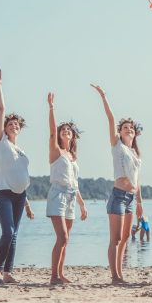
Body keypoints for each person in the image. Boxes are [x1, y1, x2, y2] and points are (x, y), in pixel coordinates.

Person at [91, 84, 144, 284]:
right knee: (116, 238)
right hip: (118, 196)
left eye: (131, 128)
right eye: (125, 128)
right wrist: (104, 96)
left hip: (131, 198)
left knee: (125, 238)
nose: (128, 129)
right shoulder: (117, 146)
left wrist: (140, 203)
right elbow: (111, 119)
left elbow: (138, 181)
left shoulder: (136, 154)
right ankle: (114, 276)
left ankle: (120, 273)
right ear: (120, 132)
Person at [0, 67, 34, 285]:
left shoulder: (22, 151)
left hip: (20, 195)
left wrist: (27, 203)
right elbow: (1, 110)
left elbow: (23, 176)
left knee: (15, 234)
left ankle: (8, 273)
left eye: (16, 125)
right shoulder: (1, 143)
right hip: (2, 193)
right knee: (8, 231)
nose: (13, 126)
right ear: (5, 129)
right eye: (10, 124)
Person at [46, 93, 88, 285]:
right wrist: (51, 108)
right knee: (61, 237)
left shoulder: (72, 156)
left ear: (73, 136)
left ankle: (60, 274)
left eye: (69, 131)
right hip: (58, 195)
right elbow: (52, 132)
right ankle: (53, 276)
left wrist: (82, 204)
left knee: (66, 239)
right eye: (63, 130)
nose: (65, 132)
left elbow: (75, 183)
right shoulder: (56, 152)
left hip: (71, 197)